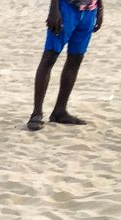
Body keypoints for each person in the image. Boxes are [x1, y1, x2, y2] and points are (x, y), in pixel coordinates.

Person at [27, 0, 105, 131]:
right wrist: (54, 9)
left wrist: (100, 7)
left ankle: (60, 111)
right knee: (50, 57)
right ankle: (36, 113)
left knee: (75, 59)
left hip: (89, 11)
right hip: (66, 8)